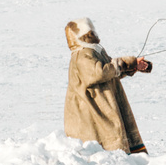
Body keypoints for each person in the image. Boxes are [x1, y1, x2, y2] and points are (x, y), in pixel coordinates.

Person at [64, 17, 152, 154]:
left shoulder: (94, 51)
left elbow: (111, 72)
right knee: (105, 146)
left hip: (103, 106)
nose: (94, 33)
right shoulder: (82, 54)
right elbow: (99, 73)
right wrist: (126, 63)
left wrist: (133, 66)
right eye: (90, 31)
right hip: (91, 111)